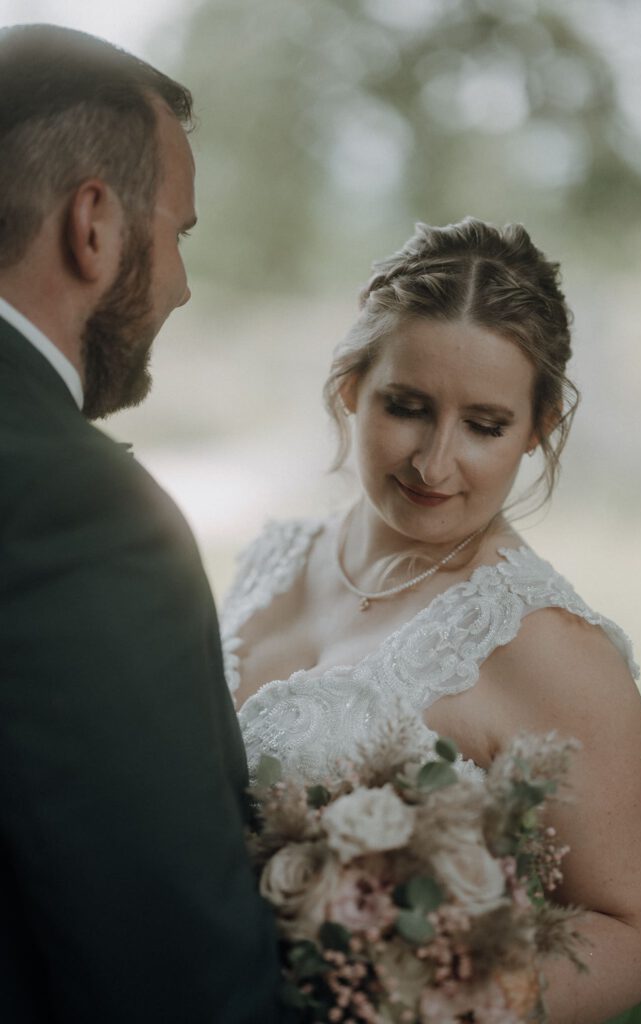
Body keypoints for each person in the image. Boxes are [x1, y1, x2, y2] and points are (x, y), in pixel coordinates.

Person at [221, 218, 641, 1023]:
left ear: (537, 429)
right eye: (406, 406)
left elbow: (633, 928)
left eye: (484, 425)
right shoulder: (273, 560)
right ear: (349, 388)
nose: (433, 463)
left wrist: (443, 1001)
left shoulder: (546, 646)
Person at [0, 24, 282, 1023]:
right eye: (179, 234)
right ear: (95, 223)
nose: (182, 285)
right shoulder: (75, 508)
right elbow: (177, 982)